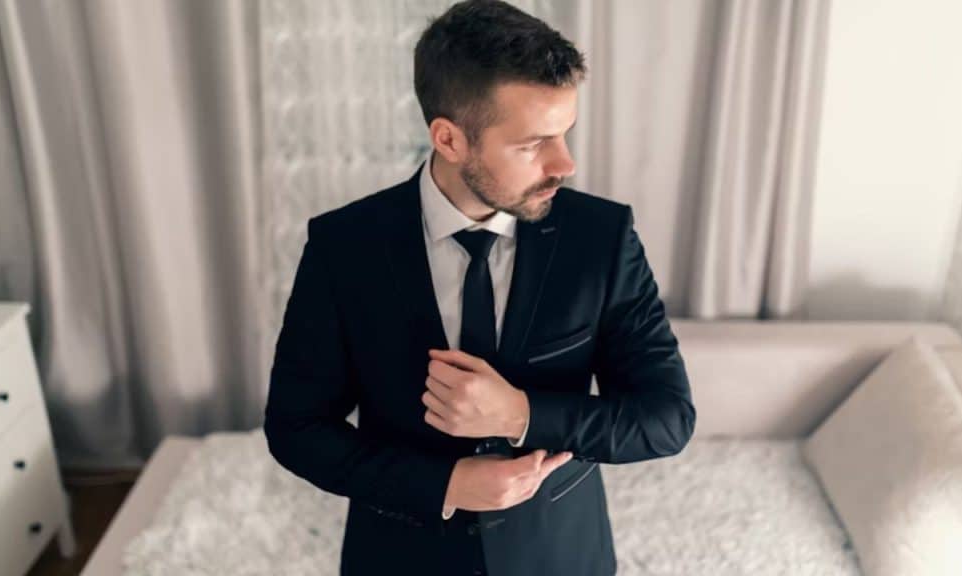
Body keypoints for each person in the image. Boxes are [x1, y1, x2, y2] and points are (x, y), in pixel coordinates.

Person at [263, 1, 696, 574]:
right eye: (532, 144)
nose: (564, 164)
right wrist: (442, 484)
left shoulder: (603, 239)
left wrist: (520, 414)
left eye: (565, 133)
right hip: (398, 555)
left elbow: (666, 419)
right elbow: (296, 428)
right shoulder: (344, 247)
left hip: (560, 553)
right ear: (448, 139)